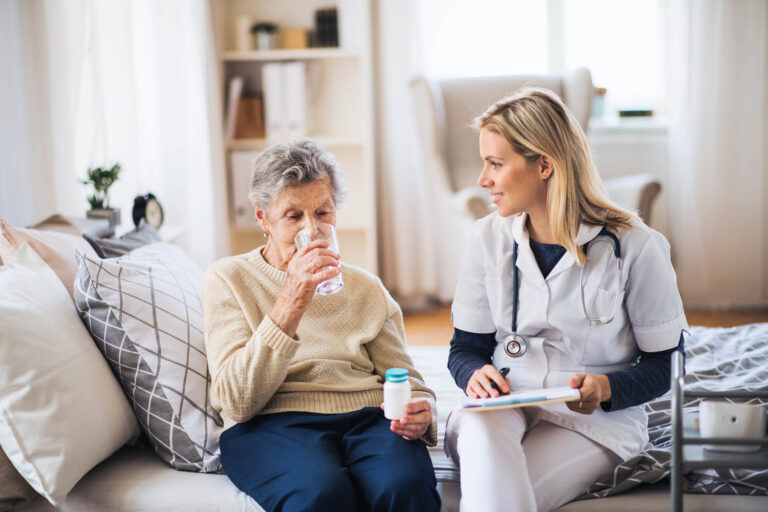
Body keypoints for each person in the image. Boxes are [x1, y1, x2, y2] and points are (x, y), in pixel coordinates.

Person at [444, 88, 688, 512]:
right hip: (503, 401)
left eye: (495, 164)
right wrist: (473, 373)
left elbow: (669, 362)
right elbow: (465, 347)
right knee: (486, 448)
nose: (483, 180)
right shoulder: (486, 237)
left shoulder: (637, 246)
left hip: (593, 420)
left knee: (496, 497)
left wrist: (608, 387)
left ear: (544, 165)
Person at [203, 139, 441, 512]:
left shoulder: (364, 287)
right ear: (263, 218)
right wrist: (291, 301)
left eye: (323, 213)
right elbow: (237, 401)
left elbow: (405, 377)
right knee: (321, 495)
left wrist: (421, 410)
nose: (312, 230)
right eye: (294, 216)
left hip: (368, 417)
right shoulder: (228, 279)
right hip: (270, 422)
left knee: (404, 487)